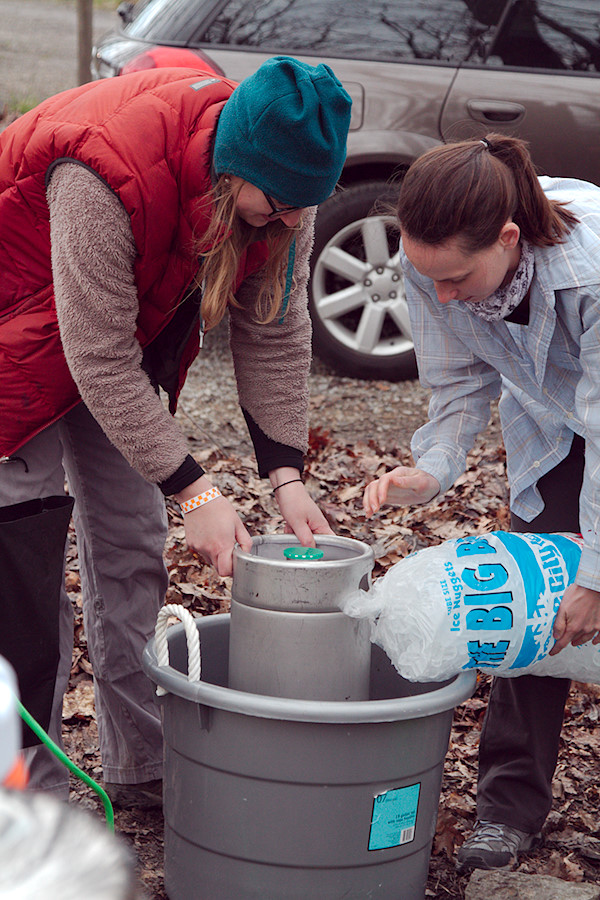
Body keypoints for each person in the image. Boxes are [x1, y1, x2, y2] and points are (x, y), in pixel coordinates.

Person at [0, 56, 351, 806]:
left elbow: (277, 328)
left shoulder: (289, 187)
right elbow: (93, 357)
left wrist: (285, 473)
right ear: (234, 167)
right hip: (12, 341)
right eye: (282, 203)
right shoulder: (101, 168)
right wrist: (196, 493)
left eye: (306, 205)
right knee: (24, 576)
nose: (293, 219)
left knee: (131, 547)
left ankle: (141, 768)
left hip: (108, 342)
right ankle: (24, 793)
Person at [363, 133, 600, 871]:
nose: (440, 296)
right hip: (554, 428)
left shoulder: (593, 274)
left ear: (509, 238)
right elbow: (461, 380)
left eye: (457, 278)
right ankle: (506, 808)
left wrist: (595, 573)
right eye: (427, 275)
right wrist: (430, 471)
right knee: (530, 607)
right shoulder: (432, 258)